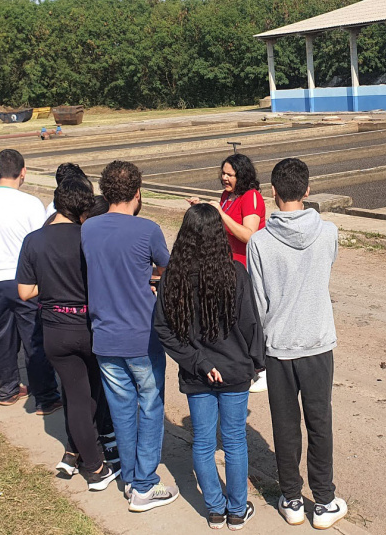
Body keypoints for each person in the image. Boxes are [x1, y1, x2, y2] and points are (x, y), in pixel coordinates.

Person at [246, 158, 346, 530]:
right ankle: (324, 500)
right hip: (318, 342)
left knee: (285, 425)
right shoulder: (328, 231)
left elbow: (258, 301)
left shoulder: (259, 241)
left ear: (272, 192)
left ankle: (291, 498)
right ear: (307, 190)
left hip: (278, 346)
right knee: (320, 422)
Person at [154, 203, 264, 530]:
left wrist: (197, 361)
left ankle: (215, 510)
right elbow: (251, 324)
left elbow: (162, 328)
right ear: (219, 233)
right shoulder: (235, 272)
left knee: (203, 442)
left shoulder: (172, 276)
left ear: (185, 234)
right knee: (233, 441)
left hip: (196, 373)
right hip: (234, 371)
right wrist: (255, 363)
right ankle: (236, 509)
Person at [81, 160, 178, 512]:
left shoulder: (89, 229)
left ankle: (129, 479)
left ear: (105, 192)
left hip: (104, 335)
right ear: (138, 193)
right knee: (150, 407)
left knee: (121, 409)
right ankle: (145, 485)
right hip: (140, 333)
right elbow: (167, 267)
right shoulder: (147, 230)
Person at [17, 177, 118, 492]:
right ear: (84, 208)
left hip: (55, 329)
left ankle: (77, 454)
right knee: (90, 396)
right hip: (89, 327)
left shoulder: (34, 240)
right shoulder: (90, 238)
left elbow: (24, 292)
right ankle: (96, 468)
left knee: (74, 396)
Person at [0, 149, 61, 413]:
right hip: (26, 280)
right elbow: (41, 242)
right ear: (23, 172)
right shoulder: (31, 203)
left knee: (2, 338)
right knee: (34, 338)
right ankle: (45, 397)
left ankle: (7, 390)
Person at [187, 154, 268, 393]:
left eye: (229, 174)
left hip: (245, 266)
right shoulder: (226, 197)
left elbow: (249, 235)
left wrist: (220, 214)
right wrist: (203, 210)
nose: (224, 178)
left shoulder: (251, 197)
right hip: (226, 265)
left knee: (250, 316)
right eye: (223, 173)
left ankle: (262, 369)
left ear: (241, 175)